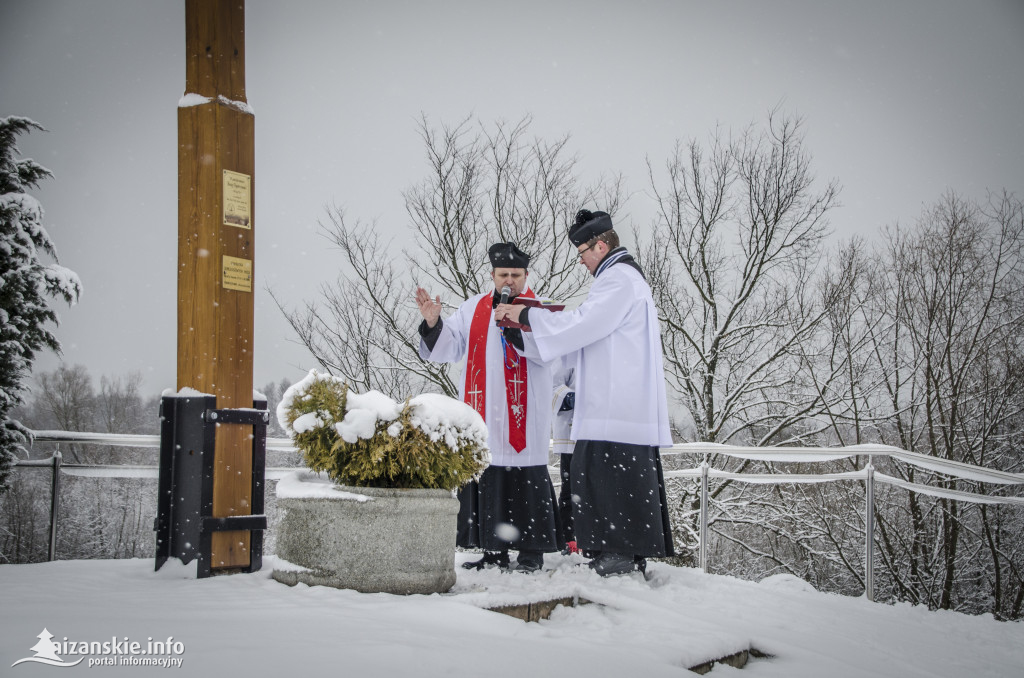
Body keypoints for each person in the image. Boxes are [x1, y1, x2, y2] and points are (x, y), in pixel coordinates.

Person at [494, 209, 675, 576]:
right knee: (606, 475)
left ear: (602, 244)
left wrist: (526, 317)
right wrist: (526, 337)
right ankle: (624, 550)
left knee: (609, 477)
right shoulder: (619, 279)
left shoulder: (619, 279)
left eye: (583, 253)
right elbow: (579, 342)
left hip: (615, 404)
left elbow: (581, 324)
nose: (581, 262)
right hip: (615, 404)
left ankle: (619, 552)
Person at [416, 242, 560, 573]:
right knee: (489, 475)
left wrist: (517, 328)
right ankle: (493, 551)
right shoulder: (473, 308)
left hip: (524, 413)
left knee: (526, 479)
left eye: (515, 275)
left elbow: (551, 350)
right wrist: (434, 323)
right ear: (492, 275)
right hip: (485, 414)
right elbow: (449, 347)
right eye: (502, 275)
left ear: (526, 275)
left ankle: (531, 552)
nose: (509, 281)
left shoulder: (540, 310)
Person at [550, 353, 580, 554]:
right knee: (571, 489)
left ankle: (595, 539)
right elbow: (553, 384)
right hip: (572, 430)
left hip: (599, 433)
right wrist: (572, 397)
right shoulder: (569, 351)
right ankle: (569, 539)